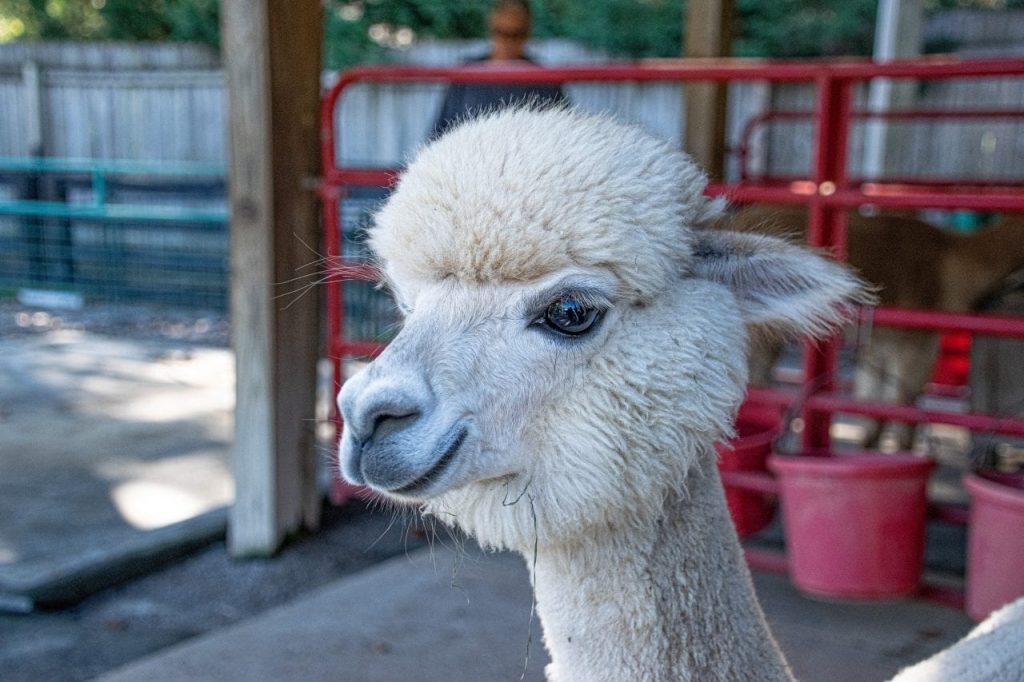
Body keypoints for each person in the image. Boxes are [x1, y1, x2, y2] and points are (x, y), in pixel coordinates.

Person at [430, 0, 568, 139]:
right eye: (500, 33)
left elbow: (562, 134)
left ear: (527, 33)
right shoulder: (466, 75)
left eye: (515, 34)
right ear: (490, 29)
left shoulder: (545, 80)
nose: (507, 42)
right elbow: (440, 134)